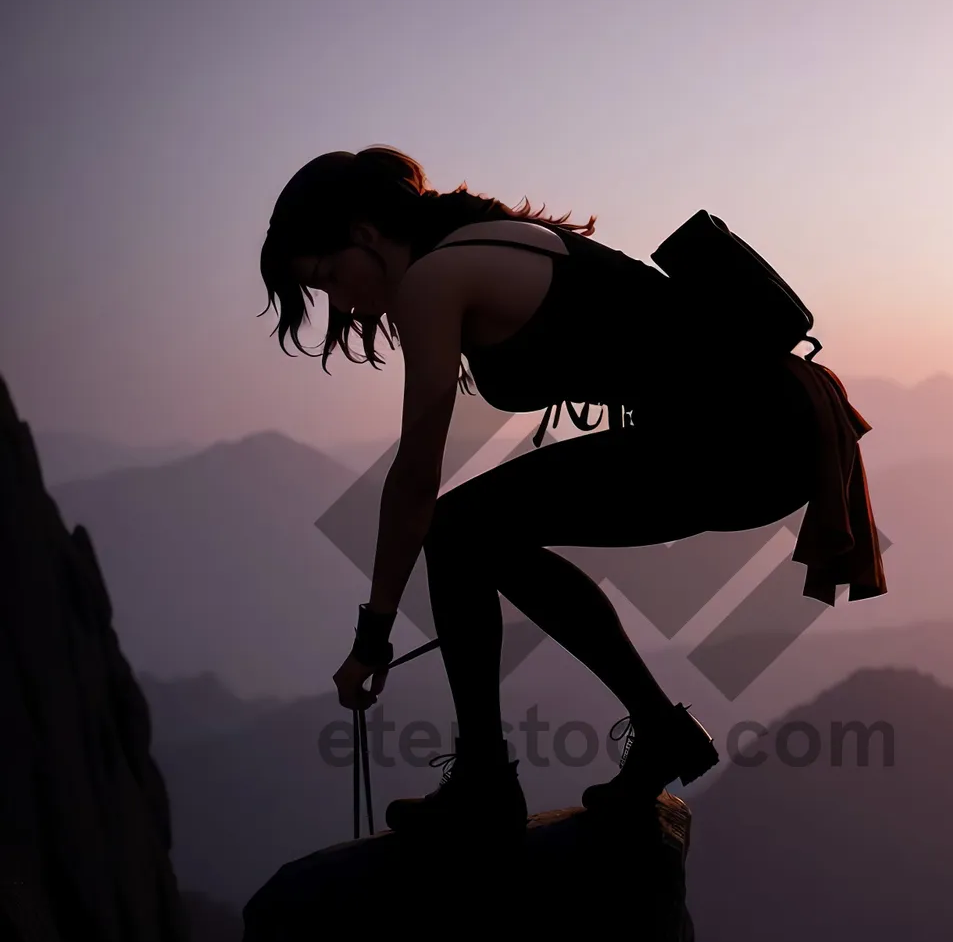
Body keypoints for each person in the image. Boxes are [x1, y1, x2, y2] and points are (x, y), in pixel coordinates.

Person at [258, 144, 886, 833]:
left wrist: (373, 635)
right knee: (477, 532)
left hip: (747, 432)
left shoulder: (435, 278)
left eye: (326, 279)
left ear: (363, 235)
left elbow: (415, 475)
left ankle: (489, 781)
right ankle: (639, 737)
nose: (339, 301)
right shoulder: (491, 240)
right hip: (765, 426)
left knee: (460, 528)